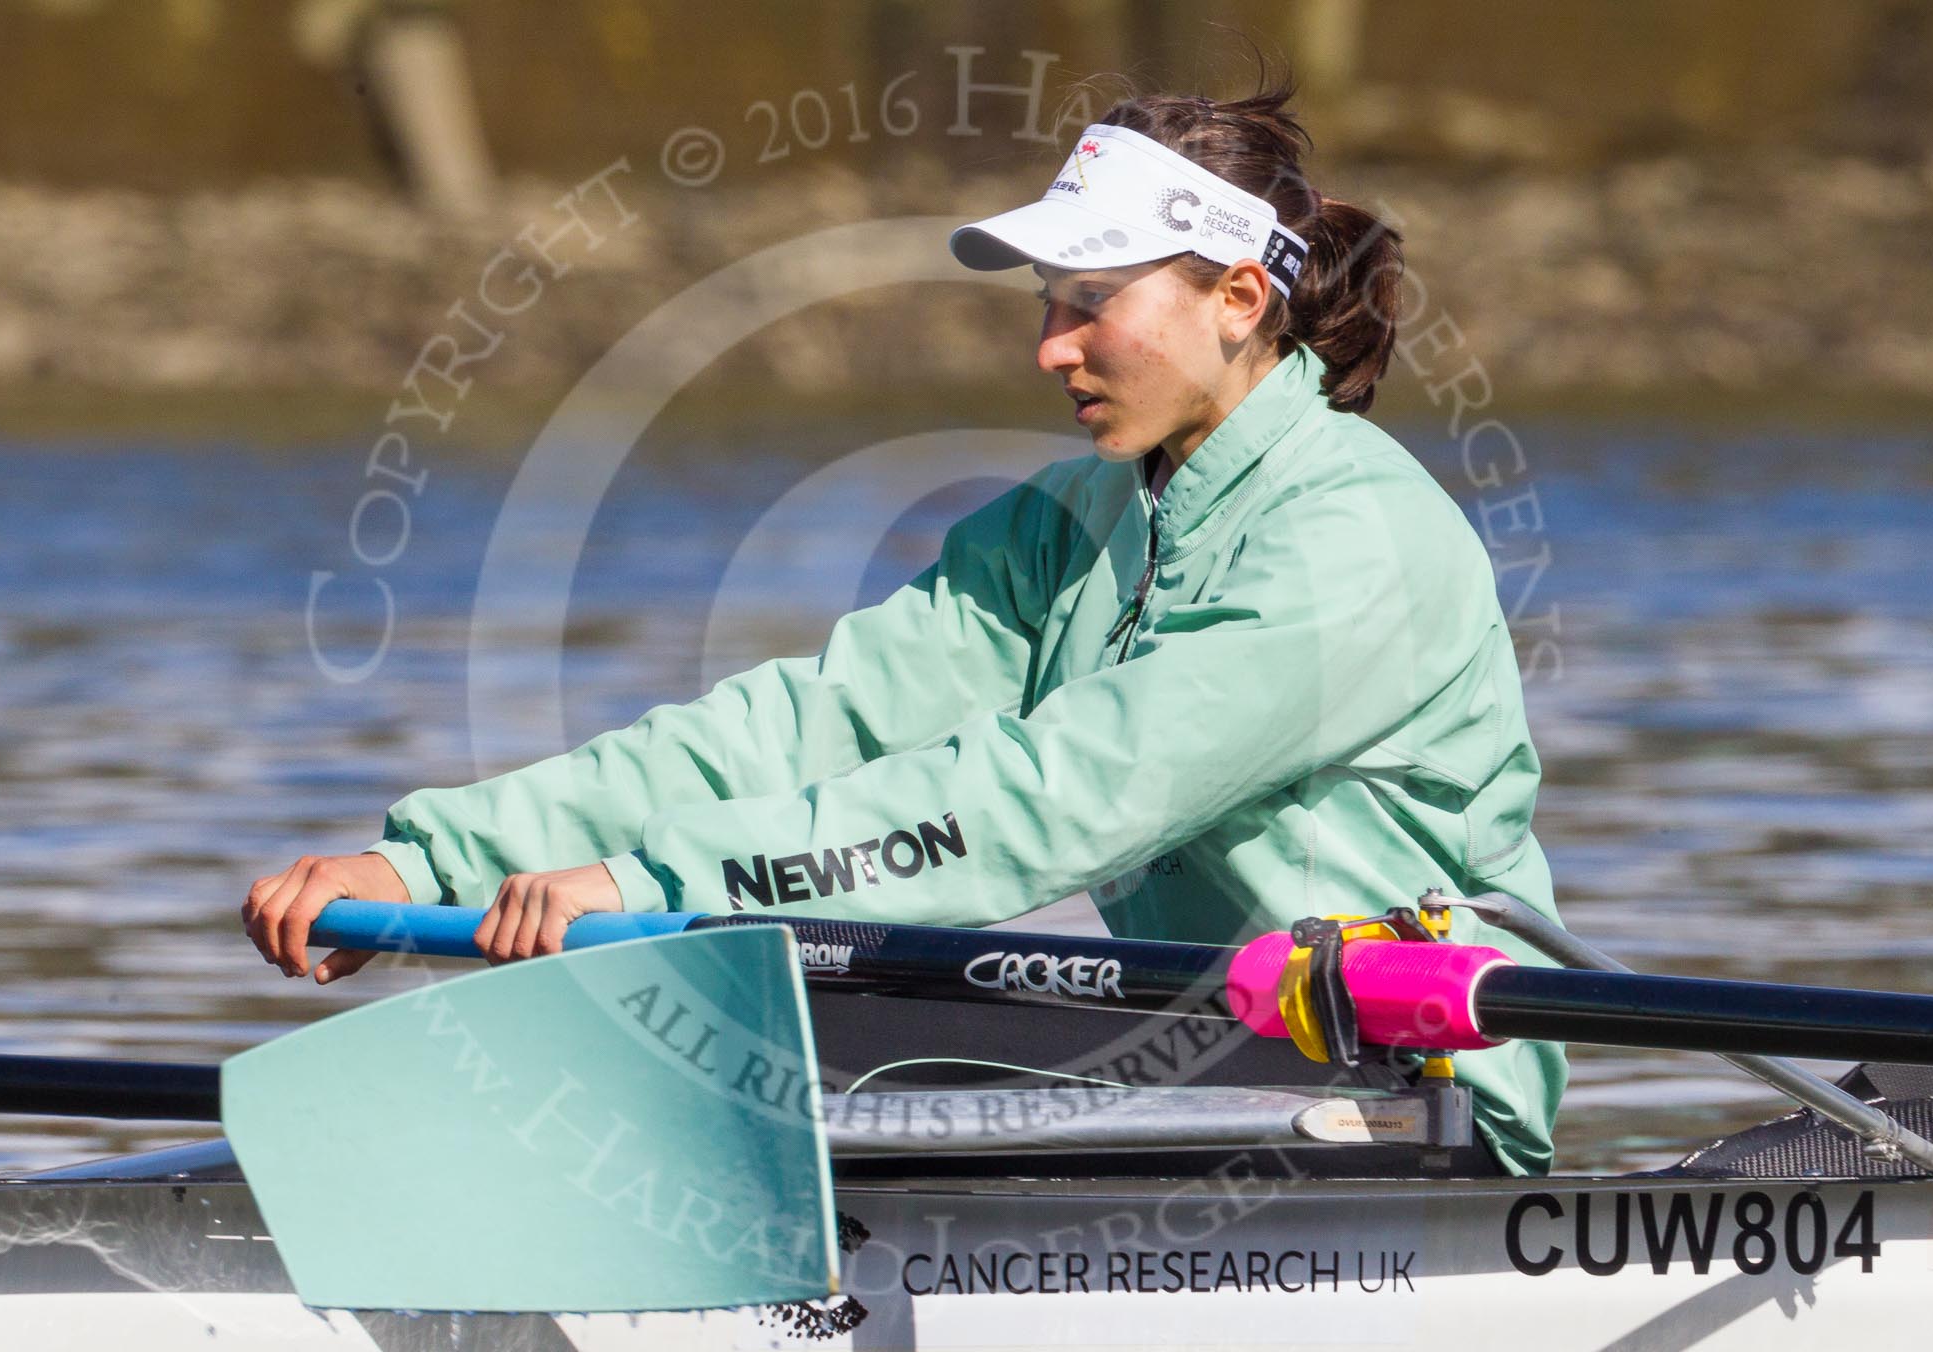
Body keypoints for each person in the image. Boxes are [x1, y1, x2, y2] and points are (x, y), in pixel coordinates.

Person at [243, 80, 1568, 1175]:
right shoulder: (1070, 526)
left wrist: (656, 890)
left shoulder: (1353, 540)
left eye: (1091, 300)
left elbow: (1052, 802)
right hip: (1234, 1066)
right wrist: (436, 862)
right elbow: (809, 729)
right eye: (1048, 305)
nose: (1051, 348)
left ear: (1237, 298)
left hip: (1420, 1094)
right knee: (770, 998)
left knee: (763, 989)